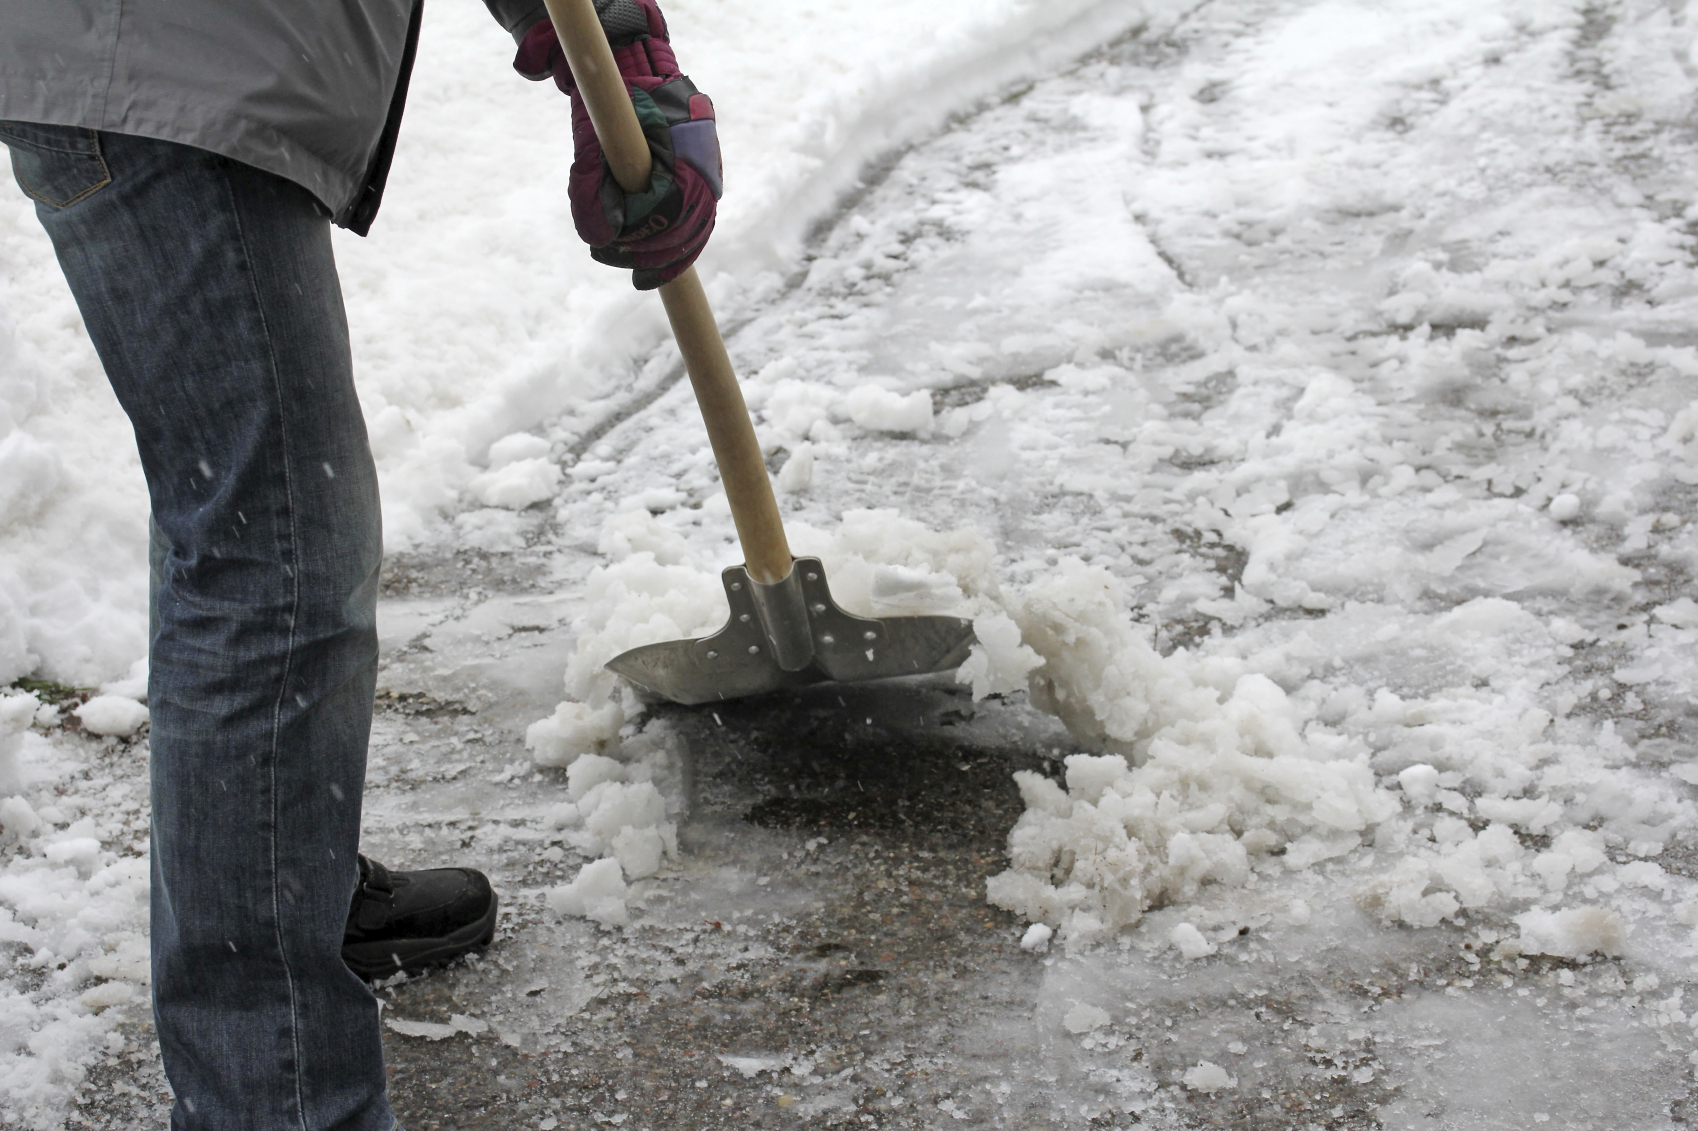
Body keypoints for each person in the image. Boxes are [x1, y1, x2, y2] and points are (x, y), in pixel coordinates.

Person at [0, 0, 720, 1126]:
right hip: (160, 58)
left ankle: (284, 885)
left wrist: (611, 57)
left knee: (242, 531)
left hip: (148, 56)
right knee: (269, 561)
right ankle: (273, 1097)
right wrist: (624, 51)